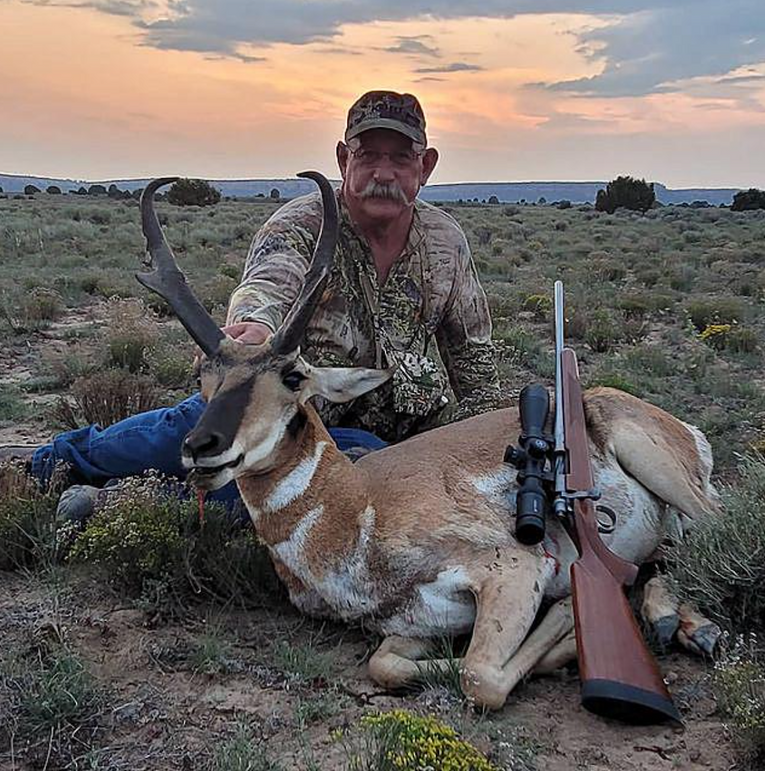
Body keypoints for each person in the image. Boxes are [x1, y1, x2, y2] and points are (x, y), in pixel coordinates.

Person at [2, 90, 501, 518]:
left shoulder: (446, 243)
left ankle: (123, 503)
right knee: (180, 432)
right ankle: (39, 467)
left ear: (425, 166)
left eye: (401, 158)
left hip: (388, 441)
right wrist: (254, 327)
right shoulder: (299, 226)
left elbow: (475, 363)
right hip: (280, 414)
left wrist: (496, 447)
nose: (383, 173)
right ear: (342, 160)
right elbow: (267, 285)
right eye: (368, 155)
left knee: (352, 489)